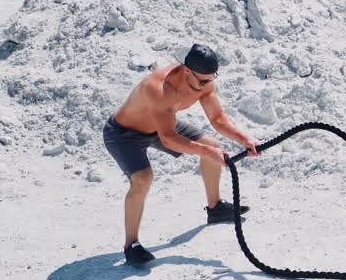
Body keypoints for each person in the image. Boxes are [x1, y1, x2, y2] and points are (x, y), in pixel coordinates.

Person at [102, 43, 263, 266]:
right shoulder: (159, 87)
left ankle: (215, 208)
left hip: (161, 125)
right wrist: (208, 152)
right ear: (187, 70)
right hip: (124, 134)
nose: (207, 85)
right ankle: (132, 245)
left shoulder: (204, 80)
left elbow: (217, 119)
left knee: (211, 144)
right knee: (143, 179)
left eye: (210, 79)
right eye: (203, 80)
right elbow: (168, 138)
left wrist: (245, 139)